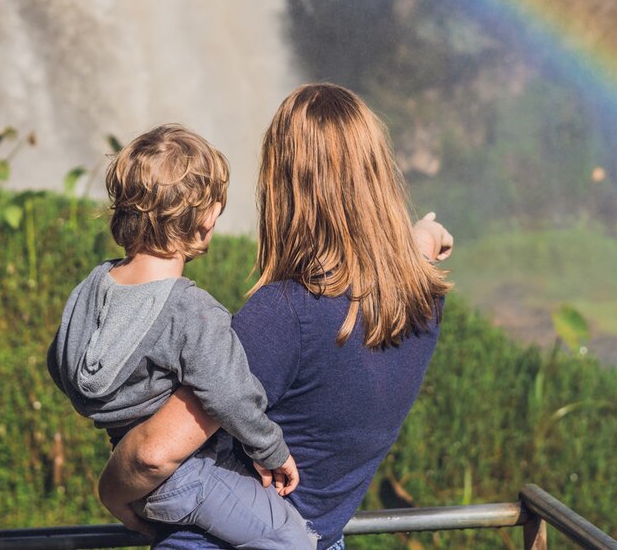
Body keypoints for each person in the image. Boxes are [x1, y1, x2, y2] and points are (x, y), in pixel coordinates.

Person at [97, 84, 455, 550]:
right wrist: (422, 237)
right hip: (321, 538)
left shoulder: (285, 314)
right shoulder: (424, 297)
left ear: (282, 184)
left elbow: (152, 456)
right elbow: (403, 257)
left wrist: (111, 492)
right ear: (378, 175)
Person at [47, 124, 316, 549]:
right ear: (206, 220)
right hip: (190, 475)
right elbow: (231, 395)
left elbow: (59, 360)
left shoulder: (94, 285)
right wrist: (272, 451)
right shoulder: (192, 311)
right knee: (293, 540)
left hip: (131, 471)